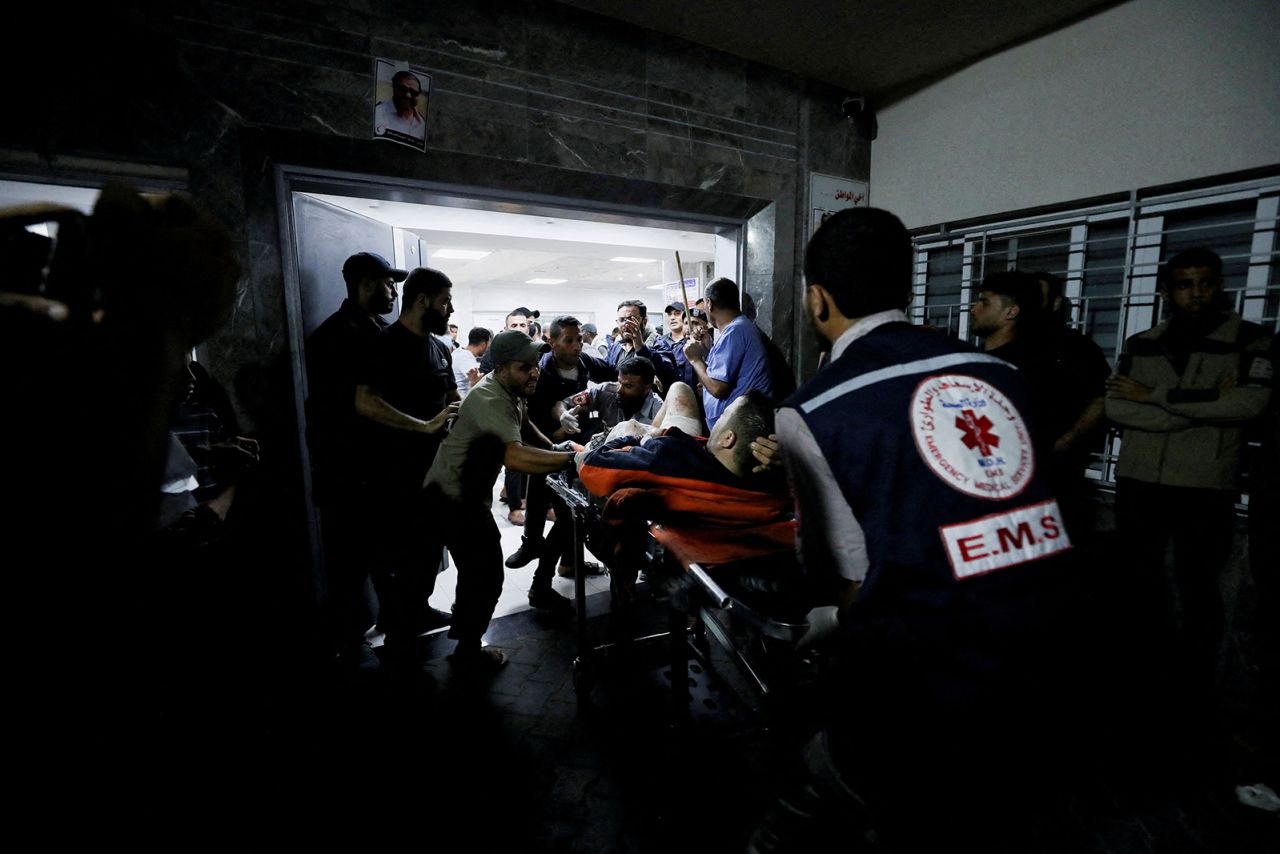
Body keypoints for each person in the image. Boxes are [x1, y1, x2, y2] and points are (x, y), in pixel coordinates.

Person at [754, 208, 1082, 851]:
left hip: (928, 684)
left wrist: (824, 625)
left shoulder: (816, 408)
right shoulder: (1001, 374)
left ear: (818, 299)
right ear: (904, 289)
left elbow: (850, 582)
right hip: (1045, 651)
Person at [1105, 247, 1272, 779]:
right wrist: (1196, 411)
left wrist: (1158, 397)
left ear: (1219, 285)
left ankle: (1193, 701)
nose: (1194, 292)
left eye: (1204, 282)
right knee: (1138, 586)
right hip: (1139, 483)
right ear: (1167, 291)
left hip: (1204, 487)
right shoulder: (1142, 343)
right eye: (1183, 284)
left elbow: (1248, 406)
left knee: (1199, 593)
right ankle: (1141, 689)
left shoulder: (1250, 340)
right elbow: (1116, 408)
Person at [422, 330, 580, 673]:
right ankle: (466, 652)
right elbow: (516, 457)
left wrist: (554, 449)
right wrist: (572, 462)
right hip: (451, 496)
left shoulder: (510, 390)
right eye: (526, 367)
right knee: (486, 573)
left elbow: (524, 426)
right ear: (503, 367)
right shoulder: (491, 398)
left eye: (535, 364)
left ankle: (464, 643)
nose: (534, 372)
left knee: (478, 572)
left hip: (464, 495)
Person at [353, 266, 461, 662]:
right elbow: (364, 401)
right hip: (393, 471)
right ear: (422, 301)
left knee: (429, 549)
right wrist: (423, 426)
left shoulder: (440, 348)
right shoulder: (384, 344)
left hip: (436, 469)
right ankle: (398, 637)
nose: (450, 309)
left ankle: (418, 610)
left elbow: (451, 398)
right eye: (445, 301)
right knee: (398, 552)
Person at [304, 251, 405, 666]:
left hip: (379, 468)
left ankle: (398, 617)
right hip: (348, 470)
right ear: (366, 285)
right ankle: (349, 638)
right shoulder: (336, 336)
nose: (394, 291)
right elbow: (351, 408)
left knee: (386, 553)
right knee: (348, 560)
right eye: (388, 283)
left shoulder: (376, 329)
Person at [683, 277, 773, 430]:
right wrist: (707, 350)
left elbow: (717, 388)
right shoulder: (739, 328)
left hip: (739, 428)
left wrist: (695, 360)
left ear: (709, 304)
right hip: (735, 425)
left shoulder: (735, 331)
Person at [606, 299, 679, 393]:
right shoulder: (617, 346)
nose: (626, 324)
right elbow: (607, 371)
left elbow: (669, 376)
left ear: (644, 322)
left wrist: (641, 347)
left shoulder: (658, 344)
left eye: (631, 319)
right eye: (622, 320)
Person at [374, 70, 426, 141]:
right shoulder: (377, 112)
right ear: (394, 88)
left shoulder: (423, 124)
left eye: (413, 92)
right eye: (402, 89)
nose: (408, 95)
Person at [663, 301, 695, 386]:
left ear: (685, 317)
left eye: (677, 313)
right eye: (669, 314)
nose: (672, 318)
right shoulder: (660, 342)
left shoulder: (693, 341)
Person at [452, 326, 490, 397]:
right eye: (488, 344)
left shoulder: (458, 351)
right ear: (483, 344)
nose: (488, 348)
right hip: (462, 400)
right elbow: (478, 384)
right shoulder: (467, 359)